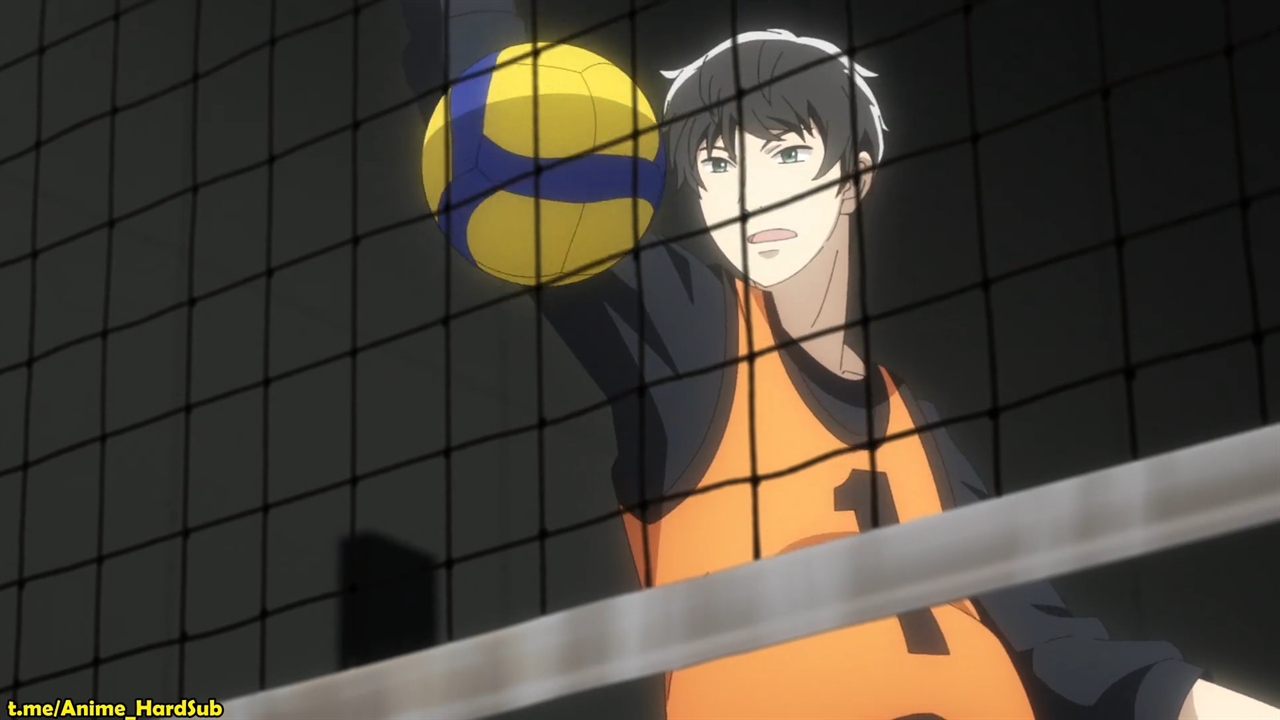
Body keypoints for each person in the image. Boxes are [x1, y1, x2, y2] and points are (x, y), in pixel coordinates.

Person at [401, 2, 1279, 718]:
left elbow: (1051, 645)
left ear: (854, 177)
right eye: (718, 164)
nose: (752, 193)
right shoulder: (692, 337)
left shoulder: (919, 428)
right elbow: (500, 122)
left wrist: (1203, 704)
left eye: (787, 153)